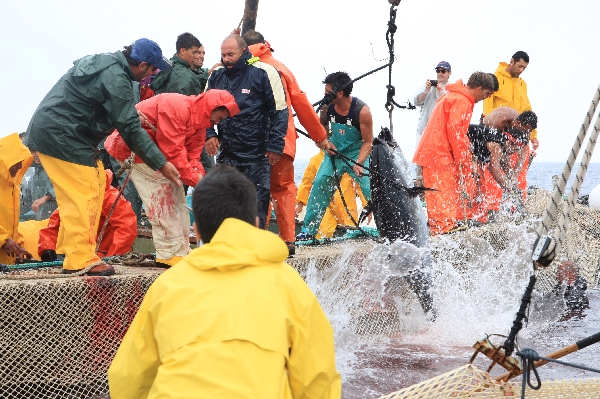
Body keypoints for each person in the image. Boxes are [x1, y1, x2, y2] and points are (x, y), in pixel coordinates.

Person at [107, 164, 341, 399]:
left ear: (196, 231)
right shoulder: (287, 283)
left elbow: (126, 377)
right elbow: (318, 379)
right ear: (258, 225)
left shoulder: (168, 286)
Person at [24, 38, 180, 276]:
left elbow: (93, 104)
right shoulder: (117, 77)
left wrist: (123, 115)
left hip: (60, 132)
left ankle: (70, 251)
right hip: (62, 135)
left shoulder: (109, 65)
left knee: (98, 181)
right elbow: (129, 128)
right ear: (142, 65)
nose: (153, 74)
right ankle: (80, 258)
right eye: (153, 69)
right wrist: (160, 163)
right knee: (84, 191)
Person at [104, 89, 239, 266]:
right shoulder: (176, 107)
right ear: (211, 107)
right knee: (162, 192)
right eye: (219, 117)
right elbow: (173, 152)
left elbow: (193, 157)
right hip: (133, 149)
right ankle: (168, 253)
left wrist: (202, 181)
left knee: (176, 191)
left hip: (154, 153)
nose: (218, 122)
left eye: (220, 120)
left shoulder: (200, 124)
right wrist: (201, 182)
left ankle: (180, 249)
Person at [243, 30, 329, 254]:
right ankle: (288, 240)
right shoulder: (281, 68)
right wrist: (320, 138)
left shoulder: (236, 68)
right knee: (283, 189)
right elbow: (302, 105)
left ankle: (253, 242)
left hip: (248, 143)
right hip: (283, 141)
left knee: (251, 191)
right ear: (266, 45)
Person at [204, 34, 289, 229]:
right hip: (227, 153)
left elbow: (280, 110)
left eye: (230, 54)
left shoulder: (264, 72)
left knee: (255, 206)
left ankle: (254, 251)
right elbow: (202, 108)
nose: (226, 59)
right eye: (223, 55)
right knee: (224, 205)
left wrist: (276, 144)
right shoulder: (217, 75)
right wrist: (209, 134)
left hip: (257, 155)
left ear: (244, 51)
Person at [413, 72, 495, 235]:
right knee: (441, 195)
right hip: (438, 155)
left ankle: (446, 225)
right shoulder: (462, 100)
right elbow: (456, 133)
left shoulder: (453, 96)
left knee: (446, 193)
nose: (485, 98)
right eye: (486, 94)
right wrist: (465, 162)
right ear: (479, 89)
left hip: (437, 154)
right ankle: (443, 229)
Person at [296, 72, 373, 241]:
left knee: (371, 188)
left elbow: (368, 142)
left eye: (327, 92)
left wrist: (359, 163)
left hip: (357, 154)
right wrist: (326, 141)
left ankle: (387, 227)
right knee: (320, 183)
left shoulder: (362, 111)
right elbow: (322, 125)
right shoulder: (326, 107)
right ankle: (309, 230)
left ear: (339, 93)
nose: (324, 95)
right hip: (335, 153)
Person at [38, 169, 137, 261]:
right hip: (78, 256)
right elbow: (53, 225)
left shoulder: (110, 197)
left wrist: (112, 257)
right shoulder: (74, 195)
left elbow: (127, 227)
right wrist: (47, 249)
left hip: (105, 255)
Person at [468, 108, 537, 223]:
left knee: (502, 170)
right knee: (475, 180)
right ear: (519, 124)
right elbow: (494, 168)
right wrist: (508, 187)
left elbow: (513, 160)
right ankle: (467, 216)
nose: (513, 153)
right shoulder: (500, 124)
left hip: (487, 144)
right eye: (514, 149)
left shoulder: (512, 138)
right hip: (469, 142)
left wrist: (513, 177)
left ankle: (479, 216)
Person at [484, 51, 536, 201]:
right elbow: (488, 109)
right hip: (499, 134)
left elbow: (527, 109)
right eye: (519, 66)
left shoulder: (522, 84)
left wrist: (533, 136)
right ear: (511, 61)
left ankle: (518, 204)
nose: (521, 70)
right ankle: (492, 208)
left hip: (519, 136)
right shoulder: (496, 79)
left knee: (519, 173)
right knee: (494, 169)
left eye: (524, 68)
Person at [296, 150, 367, 239]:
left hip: (346, 207)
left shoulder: (349, 159)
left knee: (351, 231)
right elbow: (306, 182)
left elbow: (360, 184)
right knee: (325, 230)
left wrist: (367, 204)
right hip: (326, 205)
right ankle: (321, 246)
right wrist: (300, 202)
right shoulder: (315, 160)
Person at [414, 61, 452, 186]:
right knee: (420, 159)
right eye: (438, 71)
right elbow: (417, 101)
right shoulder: (428, 87)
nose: (440, 74)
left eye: (443, 71)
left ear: (449, 73)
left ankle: (435, 185)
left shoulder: (450, 90)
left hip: (439, 133)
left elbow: (449, 106)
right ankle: (419, 184)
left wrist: (441, 92)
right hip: (424, 129)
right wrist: (426, 90)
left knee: (436, 161)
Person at [0, 133, 34, 264]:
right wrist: (3, 239)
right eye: (17, 161)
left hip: (5, 260)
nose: (20, 166)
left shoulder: (12, 186)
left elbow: (10, 223)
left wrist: (18, 245)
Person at [20, 151, 58, 221]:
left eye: (39, 151)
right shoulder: (33, 178)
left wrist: (45, 197)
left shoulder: (57, 170)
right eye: (33, 151)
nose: (37, 154)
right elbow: (26, 201)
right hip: (42, 223)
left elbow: (66, 188)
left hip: (58, 222)